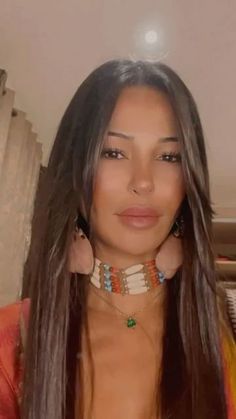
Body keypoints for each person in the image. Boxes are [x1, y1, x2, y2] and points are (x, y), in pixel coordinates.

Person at [0, 59, 235, 419]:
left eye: (169, 156)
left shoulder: (220, 341)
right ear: (74, 171)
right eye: (113, 152)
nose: (143, 181)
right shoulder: (12, 340)